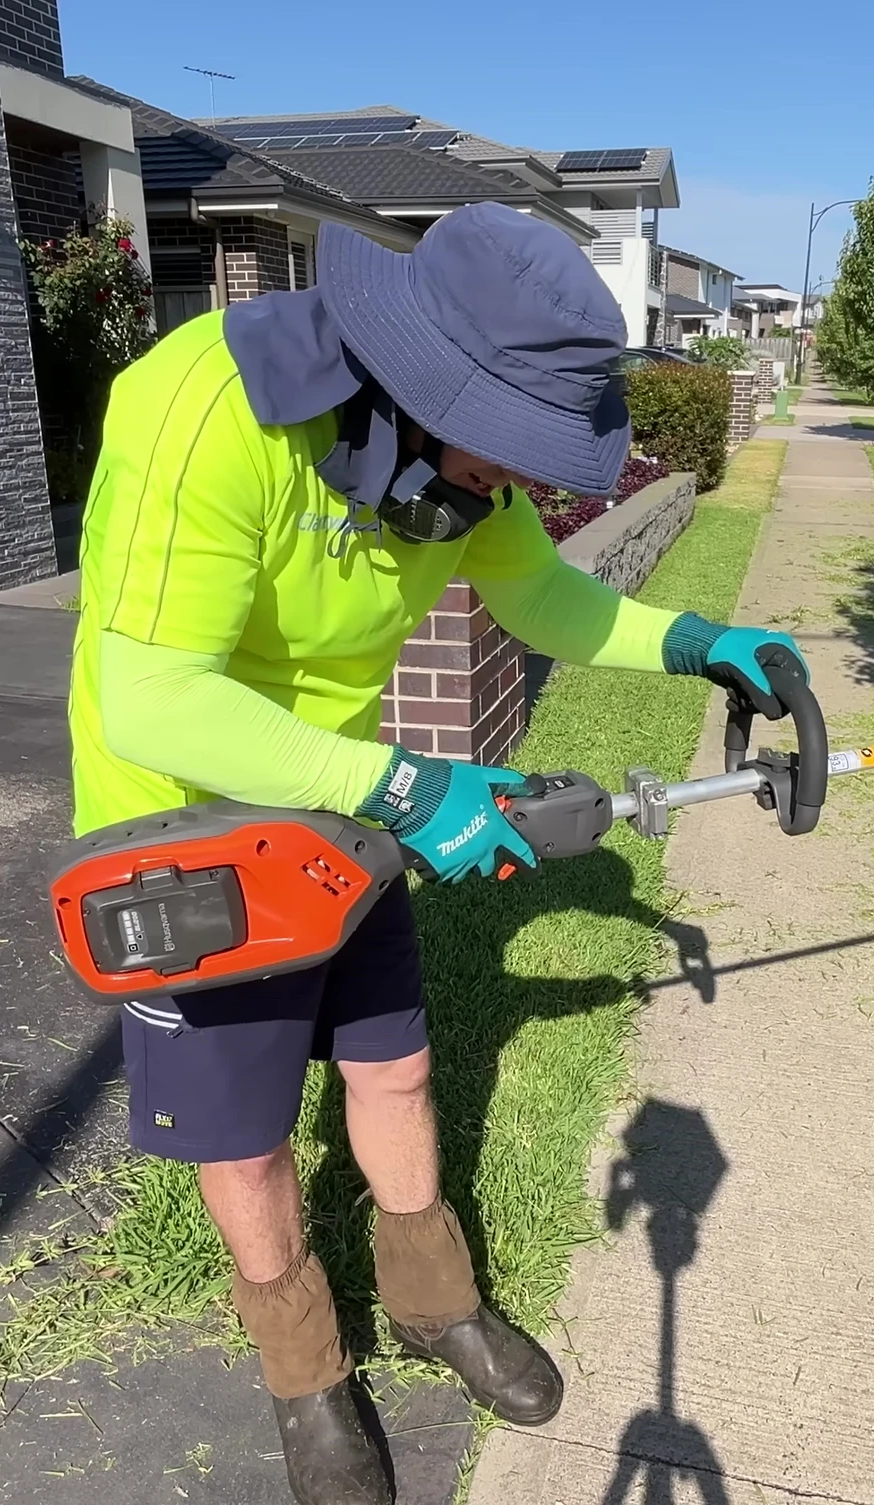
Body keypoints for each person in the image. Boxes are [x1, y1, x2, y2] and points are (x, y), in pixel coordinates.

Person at [69, 203, 809, 1503]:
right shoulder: (204, 408)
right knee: (244, 1144)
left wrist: (695, 642)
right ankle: (305, 1376)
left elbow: (541, 596)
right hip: (185, 830)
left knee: (395, 1069)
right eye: (510, 446)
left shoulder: (454, 463)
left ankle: (431, 1303)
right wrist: (413, 784)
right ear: (418, 381)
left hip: (347, 806)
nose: (522, 480)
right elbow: (155, 701)